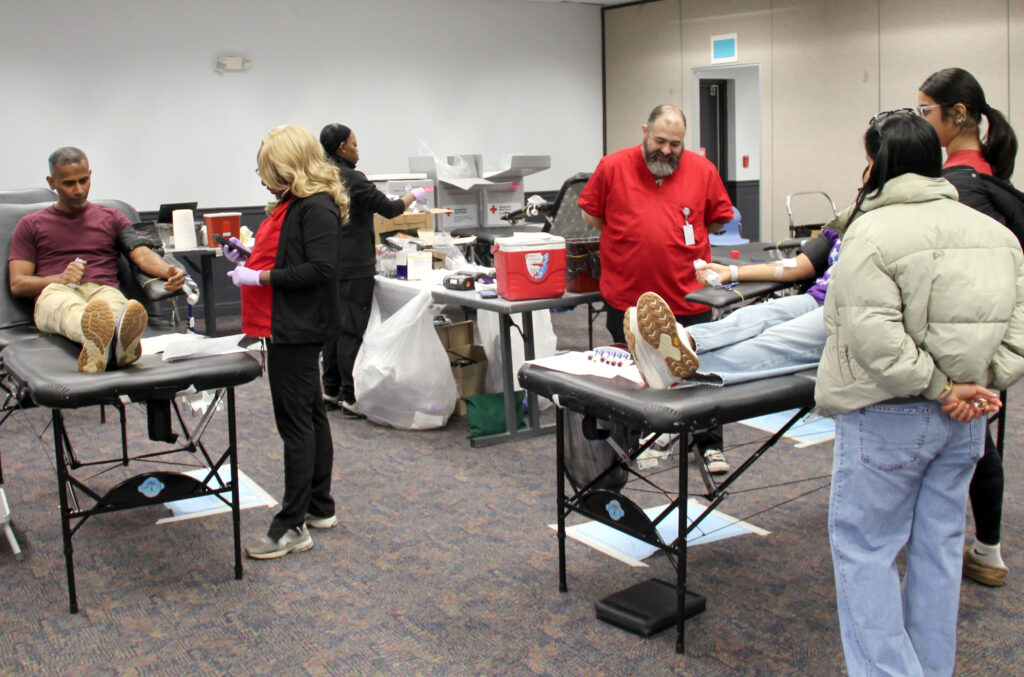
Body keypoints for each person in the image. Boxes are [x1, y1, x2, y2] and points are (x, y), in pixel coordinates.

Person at [816, 110, 1024, 676]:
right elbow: (1017, 330)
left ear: (876, 165)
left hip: (888, 416)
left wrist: (941, 386)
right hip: (965, 421)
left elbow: (872, 338)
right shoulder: (999, 236)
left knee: (867, 552)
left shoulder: (870, 233)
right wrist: (978, 386)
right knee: (939, 550)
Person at [579, 103, 734, 469]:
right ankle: (633, 441)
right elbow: (592, 214)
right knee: (634, 374)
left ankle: (708, 445)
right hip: (628, 296)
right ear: (645, 131)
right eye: (660, 141)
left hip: (688, 295)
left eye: (675, 144)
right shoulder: (613, 167)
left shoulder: (703, 171)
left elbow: (717, 220)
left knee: (700, 373)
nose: (666, 150)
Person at [224, 124, 349, 559]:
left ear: (290, 167)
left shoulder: (316, 206)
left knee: (295, 425)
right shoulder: (294, 204)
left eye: (269, 172)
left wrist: (258, 277)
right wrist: (248, 260)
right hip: (289, 323)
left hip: (298, 327)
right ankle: (319, 506)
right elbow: (289, 255)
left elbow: (320, 269)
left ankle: (291, 525)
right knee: (311, 416)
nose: (263, 181)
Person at [918, 67, 1020, 587]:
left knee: (966, 441)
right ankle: (987, 550)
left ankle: (960, 550)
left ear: (957, 115)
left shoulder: (953, 190)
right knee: (979, 438)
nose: (921, 122)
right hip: (995, 339)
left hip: (954, 344)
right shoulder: (995, 182)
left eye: (926, 112)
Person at [8, 147, 185, 373]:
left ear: (90, 175)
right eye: (69, 183)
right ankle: (108, 341)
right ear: (52, 183)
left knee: (116, 309)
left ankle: (109, 344)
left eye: (84, 180)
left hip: (103, 289)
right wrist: (59, 278)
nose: (79, 190)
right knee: (68, 309)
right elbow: (18, 284)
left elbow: (141, 254)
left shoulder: (111, 217)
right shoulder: (31, 224)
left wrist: (168, 271)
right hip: (55, 290)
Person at [624, 227, 840, 395]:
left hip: (845, 309)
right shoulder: (847, 221)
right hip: (817, 298)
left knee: (776, 339)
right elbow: (797, 266)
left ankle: (676, 374)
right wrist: (731, 272)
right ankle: (682, 342)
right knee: (752, 316)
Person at [317, 123, 427, 418]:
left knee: (333, 329)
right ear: (342, 147)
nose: (358, 150)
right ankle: (351, 396)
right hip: (354, 266)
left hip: (328, 262)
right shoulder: (352, 178)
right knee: (351, 330)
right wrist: (414, 195)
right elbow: (391, 209)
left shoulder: (320, 175)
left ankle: (330, 389)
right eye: (354, 144)